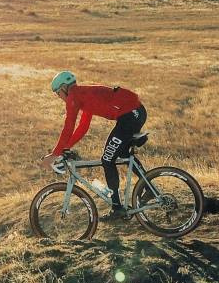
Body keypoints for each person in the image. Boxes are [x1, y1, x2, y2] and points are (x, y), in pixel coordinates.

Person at [40, 71, 146, 219]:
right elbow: (83, 127)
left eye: (58, 93)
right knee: (121, 153)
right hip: (136, 112)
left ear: (64, 88)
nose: (59, 97)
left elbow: (68, 126)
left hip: (129, 115)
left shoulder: (74, 96)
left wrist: (54, 154)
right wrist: (65, 148)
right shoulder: (83, 94)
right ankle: (147, 186)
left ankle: (118, 208)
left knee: (107, 159)